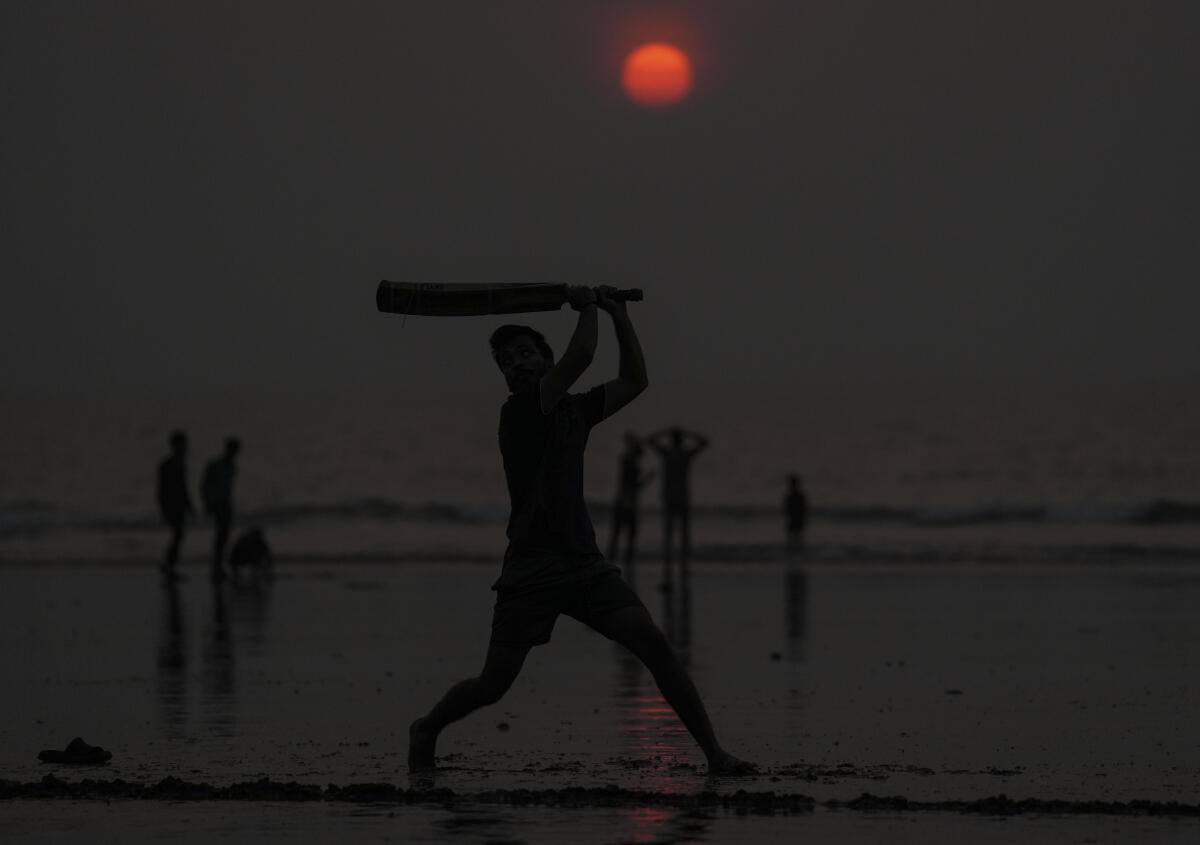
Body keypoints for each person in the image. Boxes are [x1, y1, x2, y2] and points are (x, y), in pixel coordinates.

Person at [408, 285, 753, 776]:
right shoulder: (521, 411)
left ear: (545, 358)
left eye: (524, 354)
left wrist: (618, 314)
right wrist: (586, 303)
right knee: (492, 685)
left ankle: (716, 755)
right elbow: (583, 353)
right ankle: (426, 728)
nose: (515, 366)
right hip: (531, 567)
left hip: (583, 562)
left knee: (652, 642)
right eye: (505, 362)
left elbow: (635, 379)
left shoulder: (576, 409)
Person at [646, 425, 709, 586]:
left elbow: (649, 440)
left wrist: (664, 432)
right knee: (683, 534)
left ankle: (668, 566)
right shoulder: (685, 454)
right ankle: (683, 566)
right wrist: (689, 434)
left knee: (669, 534)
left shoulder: (667, 453)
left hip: (670, 497)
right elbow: (704, 442)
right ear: (681, 441)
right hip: (681, 497)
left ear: (672, 440)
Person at [607, 432, 655, 567]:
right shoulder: (628, 463)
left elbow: (633, 485)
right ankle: (623, 561)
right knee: (626, 535)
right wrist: (647, 479)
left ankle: (615, 561)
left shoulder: (628, 462)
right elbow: (634, 486)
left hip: (625, 501)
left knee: (620, 534)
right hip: (627, 503)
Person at [156, 430, 195, 579]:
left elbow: (184, 487)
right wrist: (163, 506)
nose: (186, 447)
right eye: (182, 444)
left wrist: (189, 505)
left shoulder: (181, 463)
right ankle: (168, 565)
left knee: (179, 535)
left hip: (179, 505)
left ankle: (169, 565)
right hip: (170, 505)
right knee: (179, 534)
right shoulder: (166, 465)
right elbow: (162, 489)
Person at [201, 437, 240, 580]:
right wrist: (207, 503)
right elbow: (205, 485)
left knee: (224, 536)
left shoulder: (232, 467)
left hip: (226, 503)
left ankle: (218, 566)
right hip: (217, 503)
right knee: (221, 535)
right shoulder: (215, 465)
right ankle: (216, 567)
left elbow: (228, 488)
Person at [784, 474, 808, 549]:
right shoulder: (798, 496)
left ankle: (795, 550)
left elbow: (786, 509)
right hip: (796, 519)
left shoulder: (790, 496)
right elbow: (805, 509)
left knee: (794, 539)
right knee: (796, 539)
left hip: (795, 519)